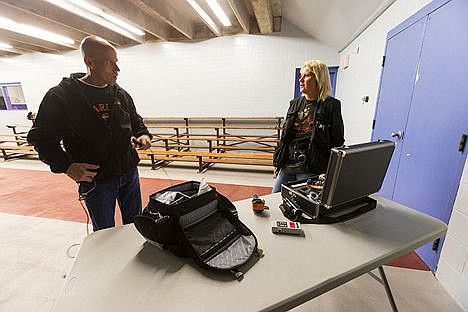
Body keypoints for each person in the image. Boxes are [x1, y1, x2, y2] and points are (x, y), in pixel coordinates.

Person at [27, 35, 152, 231]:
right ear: (89, 62)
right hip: (96, 180)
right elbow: (41, 139)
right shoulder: (61, 97)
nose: (117, 69)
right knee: (104, 232)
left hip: (128, 172)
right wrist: (66, 166)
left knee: (136, 226)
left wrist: (143, 135)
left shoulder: (120, 93)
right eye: (110, 63)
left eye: (116, 62)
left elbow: (136, 121)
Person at [272, 60, 344, 193]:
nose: (301, 79)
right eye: (301, 75)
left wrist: (332, 170)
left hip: (311, 167)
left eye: (306, 76)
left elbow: (337, 140)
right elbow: (286, 136)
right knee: (275, 197)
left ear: (318, 79)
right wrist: (278, 161)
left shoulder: (331, 105)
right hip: (288, 164)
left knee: (304, 204)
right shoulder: (295, 103)